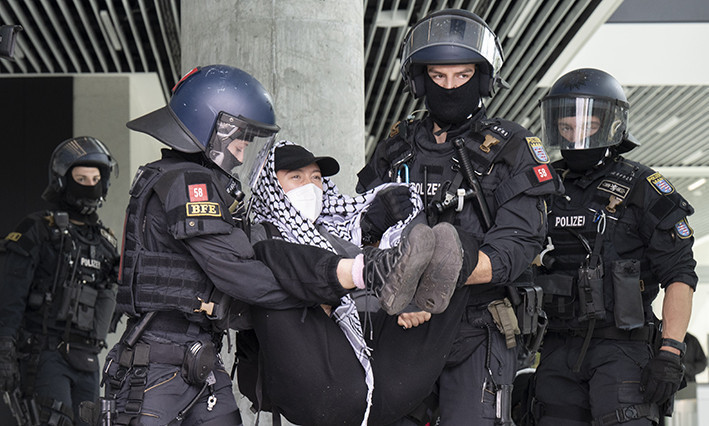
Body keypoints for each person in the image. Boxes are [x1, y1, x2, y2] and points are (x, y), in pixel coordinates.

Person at [102, 64, 449, 426]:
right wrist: (315, 296)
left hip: (197, 358)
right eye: (239, 139)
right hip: (159, 364)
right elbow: (240, 275)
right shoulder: (189, 184)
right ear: (209, 125)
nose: (242, 152)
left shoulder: (187, 180)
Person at [356, 9, 561, 425]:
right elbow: (360, 229)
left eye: (462, 75)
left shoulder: (513, 148)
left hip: (477, 326)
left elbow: (513, 249)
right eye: (438, 76)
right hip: (401, 322)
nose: (450, 87)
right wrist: (396, 288)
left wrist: (423, 284)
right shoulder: (397, 147)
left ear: (482, 80)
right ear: (420, 80)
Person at [237, 141, 468, 425]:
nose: (310, 186)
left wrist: (410, 305)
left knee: (456, 249)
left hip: (373, 384)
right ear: (270, 186)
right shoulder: (253, 237)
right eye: (296, 177)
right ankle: (368, 272)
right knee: (269, 254)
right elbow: (241, 302)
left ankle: (408, 282)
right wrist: (323, 294)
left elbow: (370, 293)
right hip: (316, 385)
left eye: (316, 178)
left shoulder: (331, 236)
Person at [532, 68, 697, 425]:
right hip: (556, 350)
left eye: (587, 126)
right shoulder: (543, 188)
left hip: (623, 350)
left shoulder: (642, 187)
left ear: (611, 126)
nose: (575, 137)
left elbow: (680, 274)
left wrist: (670, 351)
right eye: (566, 128)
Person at [0, 136, 120, 426]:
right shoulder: (38, 230)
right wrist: (4, 348)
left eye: (95, 179)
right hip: (45, 354)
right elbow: (10, 296)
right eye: (81, 178)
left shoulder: (105, 244)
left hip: (89, 359)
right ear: (63, 180)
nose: (90, 185)